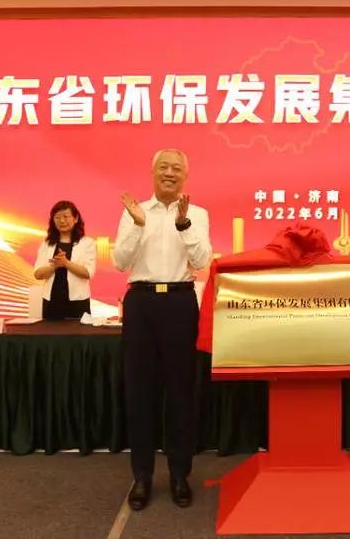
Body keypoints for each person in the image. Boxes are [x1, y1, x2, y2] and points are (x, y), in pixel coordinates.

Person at [112, 149, 212, 511]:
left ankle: (180, 474)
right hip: (141, 303)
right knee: (140, 392)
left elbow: (202, 260)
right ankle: (142, 477)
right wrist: (138, 225)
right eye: (164, 167)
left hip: (180, 303)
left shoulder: (197, 214)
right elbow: (120, 261)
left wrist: (184, 227)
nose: (170, 173)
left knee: (181, 392)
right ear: (153, 172)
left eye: (177, 168)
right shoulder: (134, 211)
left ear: (185, 176)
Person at [32, 201, 96, 320]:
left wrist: (66, 263)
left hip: (78, 302)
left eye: (66, 216)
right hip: (51, 301)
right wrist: (53, 267)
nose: (61, 221)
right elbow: (38, 274)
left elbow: (88, 273)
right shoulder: (47, 244)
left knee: (79, 332)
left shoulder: (87, 243)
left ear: (76, 218)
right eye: (57, 217)